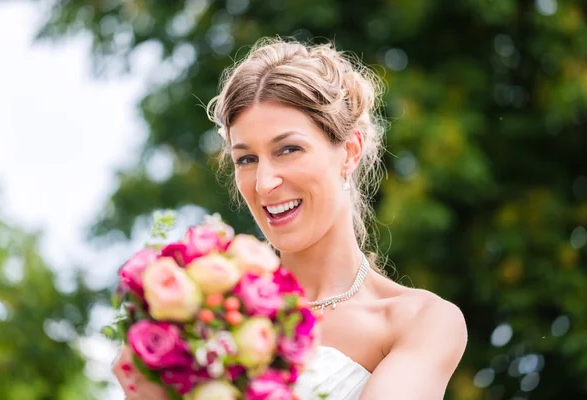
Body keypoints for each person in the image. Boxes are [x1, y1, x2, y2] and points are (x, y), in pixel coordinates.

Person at [113, 37, 468, 400]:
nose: (265, 184)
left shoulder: (420, 321)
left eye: (288, 150)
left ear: (350, 151)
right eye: (246, 159)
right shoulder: (210, 315)